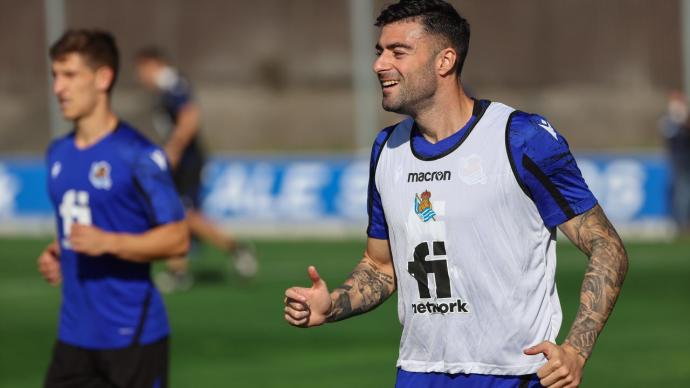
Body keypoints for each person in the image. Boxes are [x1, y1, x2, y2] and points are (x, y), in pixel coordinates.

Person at [283, 1, 629, 387]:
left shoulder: (520, 138)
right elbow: (380, 267)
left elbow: (607, 246)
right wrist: (332, 305)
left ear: (444, 60)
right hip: (418, 372)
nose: (380, 64)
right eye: (379, 52)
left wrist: (577, 349)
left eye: (398, 52)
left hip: (514, 375)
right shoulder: (387, 150)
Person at [38, 29, 189, 388]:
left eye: (70, 75)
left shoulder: (138, 155)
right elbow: (85, 224)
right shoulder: (57, 154)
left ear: (103, 78)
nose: (59, 88)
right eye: (55, 76)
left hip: (131, 337)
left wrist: (110, 242)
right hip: (73, 336)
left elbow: (177, 239)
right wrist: (62, 251)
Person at [134, 48, 257, 291]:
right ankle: (178, 271)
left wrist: (174, 149)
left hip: (188, 163)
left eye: (142, 69)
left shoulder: (173, 85)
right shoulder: (164, 89)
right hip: (181, 162)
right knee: (175, 213)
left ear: (154, 64)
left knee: (185, 215)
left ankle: (238, 248)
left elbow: (190, 117)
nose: (141, 76)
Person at [659, 91, 690, 234]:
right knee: (679, 192)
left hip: (683, 159)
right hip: (677, 160)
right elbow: (671, 136)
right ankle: (680, 223)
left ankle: (683, 223)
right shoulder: (669, 121)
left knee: (682, 192)